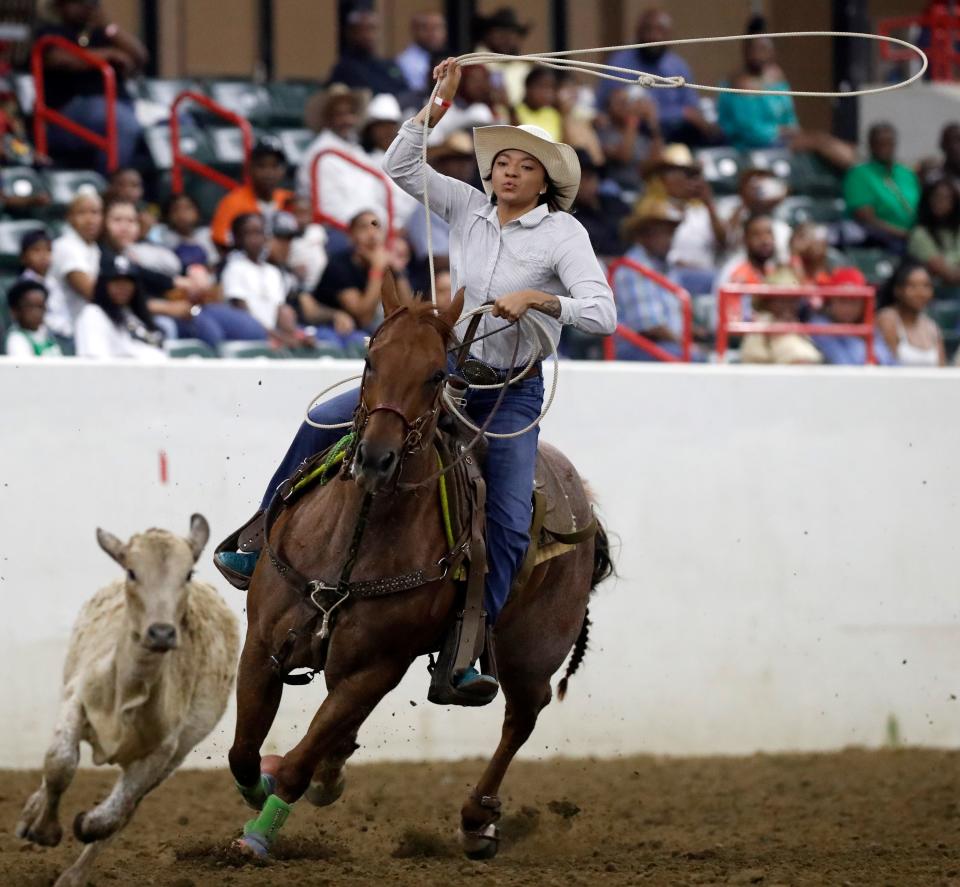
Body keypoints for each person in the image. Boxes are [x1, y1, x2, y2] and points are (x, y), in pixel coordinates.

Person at [216, 56, 616, 697]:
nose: (509, 172)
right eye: (503, 163)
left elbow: (602, 312)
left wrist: (541, 301)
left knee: (511, 519)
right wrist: (436, 107)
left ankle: (468, 647)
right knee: (325, 419)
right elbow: (400, 166)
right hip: (449, 374)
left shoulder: (563, 234)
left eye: (525, 166)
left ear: (544, 185)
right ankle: (262, 531)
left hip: (511, 394)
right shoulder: (467, 207)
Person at [716, 31, 857, 169]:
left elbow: (789, 117)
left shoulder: (775, 80)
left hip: (784, 137)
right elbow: (749, 130)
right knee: (820, 142)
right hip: (751, 143)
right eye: (754, 49)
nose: (758, 54)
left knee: (834, 142)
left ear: (772, 52)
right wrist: (780, 132)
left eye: (764, 49)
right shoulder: (737, 83)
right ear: (745, 51)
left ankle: (858, 167)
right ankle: (859, 171)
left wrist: (792, 129)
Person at [35, 0, 147, 172]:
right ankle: (113, 181)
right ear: (60, 6)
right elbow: (57, 58)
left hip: (120, 103)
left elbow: (140, 56)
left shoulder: (104, 33)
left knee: (178, 122)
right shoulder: (50, 31)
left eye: (91, 3)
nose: (86, 7)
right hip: (69, 109)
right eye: (78, 3)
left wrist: (109, 26)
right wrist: (107, 55)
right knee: (121, 122)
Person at [596, 8, 721, 146]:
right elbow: (615, 107)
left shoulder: (677, 65)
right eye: (648, 30)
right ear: (638, 32)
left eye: (660, 31)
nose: (653, 37)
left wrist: (681, 115)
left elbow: (692, 110)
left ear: (669, 36)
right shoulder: (620, 62)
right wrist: (680, 113)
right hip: (634, 134)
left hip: (674, 132)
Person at [613, 198, 691, 360]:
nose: (669, 239)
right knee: (696, 358)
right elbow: (649, 326)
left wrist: (695, 334)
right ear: (643, 235)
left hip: (664, 343)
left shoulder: (665, 265)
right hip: (635, 346)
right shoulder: (633, 267)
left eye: (671, 233)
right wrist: (686, 344)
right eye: (662, 233)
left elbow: (671, 316)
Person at [644, 143, 726, 291]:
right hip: (669, 275)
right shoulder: (654, 209)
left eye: (687, 174)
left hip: (707, 276)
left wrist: (709, 204)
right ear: (661, 178)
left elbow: (723, 242)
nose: (681, 179)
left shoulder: (700, 210)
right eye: (673, 172)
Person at [313, 210, 411, 333]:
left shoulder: (384, 263)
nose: (372, 234)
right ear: (351, 236)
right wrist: (377, 269)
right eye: (364, 228)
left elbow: (409, 314)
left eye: (376, 227)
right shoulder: (339, 265)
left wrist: (398, 272)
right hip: (331, 331)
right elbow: (363, 319)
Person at [298, 84, 376, 235]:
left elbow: (375, 196)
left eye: (350, 113)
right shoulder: (319, 154)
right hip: (335, 231)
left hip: (369, 229)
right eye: (339, 114)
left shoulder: (359, 151)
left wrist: (375, 227)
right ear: (328, 118)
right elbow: (327, 207)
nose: (346, 119)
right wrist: (363, 230)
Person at [844, 122, 920, 252]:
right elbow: (867, 219)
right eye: (880, 144)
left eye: (889, 143)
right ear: (871, 145)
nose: (885, 148)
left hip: (917, 238)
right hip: (884, 240)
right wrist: (906, 235)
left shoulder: (906, 173)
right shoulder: (859, 174)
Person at [74, 254, 166, 360]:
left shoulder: (131, 314)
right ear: (103, 284)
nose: (122, 287)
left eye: (128, 281)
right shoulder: (92, 315)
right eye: (116, 281)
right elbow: (94, 362)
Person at [211, 137, 293, 251]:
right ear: (250, 169)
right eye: (261, 166)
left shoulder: (290, 200)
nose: (268, 172)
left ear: (283, 170)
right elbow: (221, 243)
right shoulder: (232, 202)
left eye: (274, 166)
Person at [219, 213, 288, 341]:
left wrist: (292, 335)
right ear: (238, 238)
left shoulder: (273, 272)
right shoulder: (234, 268)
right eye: (249, 233)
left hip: (274, 335)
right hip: (247, 335)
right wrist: (273, 335)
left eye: (259, 233)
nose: (255, 239)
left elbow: (280, 310)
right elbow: (241, 312)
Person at [808, 267, 895, 366]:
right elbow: (844, 365)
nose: (848, 307)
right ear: (830, 301)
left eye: (854, 300)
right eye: (842, 300)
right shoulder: (820, 327)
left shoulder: (868, 325)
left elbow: (891, 363)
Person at [738, 267, 823, 365]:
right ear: (769, 302)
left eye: (792, 300)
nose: (787, 306)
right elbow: (754, 359)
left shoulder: (802, 326)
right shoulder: (760, 326)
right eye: (781, 300)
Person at [48, 191, 102, 338]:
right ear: (69, 217)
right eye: (82, 212)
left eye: (95, 212)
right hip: (60, 331)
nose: (90, 219)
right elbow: (94, 294)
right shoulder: (65, 246)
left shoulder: (94, 248)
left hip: (83, 329)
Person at [362, 93, 420, 230]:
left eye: (390, 125)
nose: (386, 131)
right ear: (370, 130)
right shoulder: (362, 161)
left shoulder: (412, 161)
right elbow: (369, 206)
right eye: (381, 126)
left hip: (417, 229)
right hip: (385, 232)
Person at [876, 261, 945, 367]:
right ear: (898, 290)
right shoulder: (887, 319)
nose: (920, 293)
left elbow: (942, 370)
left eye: (926, 286)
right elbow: (887, 367)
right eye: (912, 286)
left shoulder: (933, 327)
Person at [595, 86, 661, 195]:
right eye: (619, 102)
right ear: (608, 107)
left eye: (627, 102)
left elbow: (655, 162)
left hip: (639, 190)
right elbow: (624, 157)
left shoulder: (638, 135)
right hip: (613, 192)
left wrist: (653, 124)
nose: (625, 106)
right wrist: (633, 120)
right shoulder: (603, 132)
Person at [717, 168, 792, 262]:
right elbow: (725, 240)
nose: (759, 191)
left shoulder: (781, 228)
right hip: (737, 267)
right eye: (753, 186)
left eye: (764, 186)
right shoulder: (729, 209)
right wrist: (746, 202)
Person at [327, 9, 406, 97]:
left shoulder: (388, 64)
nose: (367, 36)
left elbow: (405, 91)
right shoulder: (343, 68)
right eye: (361, 30)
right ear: (351, 33)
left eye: (371, 29)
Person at [427, 64, 507, 146]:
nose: (479, 85)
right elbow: (430, 147)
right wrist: (452, 145)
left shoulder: (488, 110)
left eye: (483, 79)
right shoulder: (443, 108)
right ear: (462, 80)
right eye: (474, 80)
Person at [571, 150, 629, 258]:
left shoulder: (614, 202)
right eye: (578, 179)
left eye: (588, 177)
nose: (584, 184)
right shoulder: (571, 218)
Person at [472, 7, 532, 107]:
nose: (507, 39)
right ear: (487, 34)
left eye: (512, 34)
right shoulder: (475, 62)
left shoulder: (524, 68)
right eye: (501, 33)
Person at [908, 179, 960, 286]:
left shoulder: (957, 229)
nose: (940, 202)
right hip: (939, 291)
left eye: (947, 198)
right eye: (936, 197)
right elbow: (948, 274)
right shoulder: (919, 234)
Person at [4, 280, 63, 358]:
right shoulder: (16, 339)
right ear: (15, 311)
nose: (37, 313)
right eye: (31, 307)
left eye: (40, 307)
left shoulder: (49, 334)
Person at [395, 11, 447, 95]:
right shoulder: (405, 61)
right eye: (426, 28)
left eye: (438, 27)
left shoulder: (446, 55)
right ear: (414, 31)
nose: (433, 34)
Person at [514, 69, 562, 142]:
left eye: (551, 88)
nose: (548, 93)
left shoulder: (553, 114)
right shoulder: (514, 112)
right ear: (528, 87)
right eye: (542, 86)